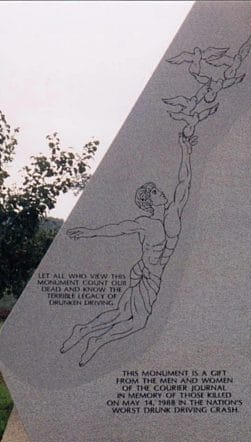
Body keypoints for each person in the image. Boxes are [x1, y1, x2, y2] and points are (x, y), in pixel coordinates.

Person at [61, 133, 198, 366]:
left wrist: (186, 152)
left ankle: (85, 331)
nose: (160, 193)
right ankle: (93, 339)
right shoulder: (144, 223)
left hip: (155, 277)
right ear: (148, 202)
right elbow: (116, 229)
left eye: (158, 190)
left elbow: (184, 182)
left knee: (122, 314)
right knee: (137, 320)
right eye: (154, 192)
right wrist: (89, 232)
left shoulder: (173, 214)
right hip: (144, 273)